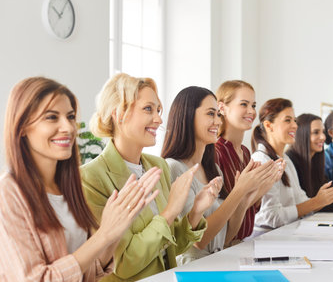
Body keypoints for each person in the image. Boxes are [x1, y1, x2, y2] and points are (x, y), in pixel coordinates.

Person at [0, 77, 159, 281]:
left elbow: (90, 272)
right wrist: (104, 234)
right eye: (51, 117)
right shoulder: (8, 194)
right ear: (21, 127)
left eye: (70, 116)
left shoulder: (68, 187)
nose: (68, 127)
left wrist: (116, 229)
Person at [81, 74, 218, 281]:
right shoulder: (90, 178)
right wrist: (170, 211)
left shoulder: (157, 165)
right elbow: (124, 264)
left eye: (158, 110)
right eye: (148, 109)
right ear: (119, 113)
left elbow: (170, 248)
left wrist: (195, 213)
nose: (159, 119)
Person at [162, 86, 280, 264]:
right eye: (210, 114)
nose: (217, 121)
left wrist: (246, 197)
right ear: (187, 116)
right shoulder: (173, 168)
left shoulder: (213, 169)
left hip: (218, 260)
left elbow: (226, 237)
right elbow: (199, 241)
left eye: (218, 114)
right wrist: (239, 191)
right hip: (191, 268)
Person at [251, 100, 333, 234]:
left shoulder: (285, 159)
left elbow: (302, 201)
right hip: (267, 239)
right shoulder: (261, 160)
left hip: (287, 234)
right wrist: (319, 201)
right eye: (288, 120)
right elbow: (270, 217)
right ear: (268, 125)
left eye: (294, 120)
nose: (295, 125)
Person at [215, 80, 282, 242]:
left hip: (242, 242)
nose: (251, 111)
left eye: (253, 105)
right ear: (222, 108)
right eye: (244, 104)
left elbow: (248, 206)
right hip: (221, 246)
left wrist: (262, 187)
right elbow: (223, 211)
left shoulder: (245, 153)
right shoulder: (215, 152)